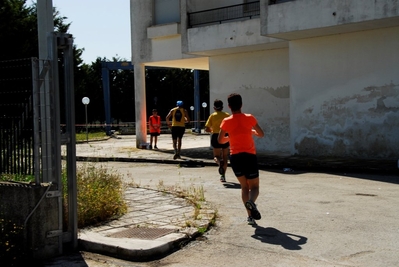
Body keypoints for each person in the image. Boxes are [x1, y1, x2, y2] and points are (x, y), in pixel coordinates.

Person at [218, 93, 265, 225]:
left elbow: (220, 140)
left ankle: (250, 217)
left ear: (229, 106)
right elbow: (261, 134)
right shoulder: (249, 118)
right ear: (241, 104)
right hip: (249, 156)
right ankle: (251, 202)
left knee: (244, 187)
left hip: (235, 157)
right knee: (254, 187)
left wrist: (231, 137)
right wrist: (252, 132)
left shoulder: (226, 121)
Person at [205, 99, 230, 182]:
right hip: (225, 136)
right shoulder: (227, 115)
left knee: (216, 156)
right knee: (225, 157)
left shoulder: (212, 115)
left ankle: (220, 164)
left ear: (214, 107)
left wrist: (212, 131)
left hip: (216, 136)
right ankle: (223, 176)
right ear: (222, 107)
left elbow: (207, 128)